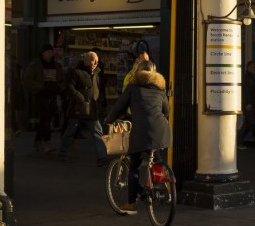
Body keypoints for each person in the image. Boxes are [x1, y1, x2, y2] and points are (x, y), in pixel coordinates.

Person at [106, 59, 172, 214]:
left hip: (141, 130)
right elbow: (166, 111)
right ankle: (163, 189)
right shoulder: (159, 88)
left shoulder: (133, 87)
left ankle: (131, 204)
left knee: (134, 165)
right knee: (157, 158)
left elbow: (119, 106)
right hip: (161, 129)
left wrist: (109, 119)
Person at [58, 51, 109, 166]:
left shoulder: (97, 73)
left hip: (92, 109)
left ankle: (102, 157)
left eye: (96, 60)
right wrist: (81, 99)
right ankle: (63, 152)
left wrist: (100, 102)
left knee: (97, 133)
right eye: (92, 60)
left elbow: (99, 90)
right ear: (86, 60)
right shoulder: (76, 72)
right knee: (71, 131)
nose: (95, 63)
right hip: (78, 108)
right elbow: (70, 87)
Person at [24, 43, 65, 153]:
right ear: (42, 53)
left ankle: (37, 141)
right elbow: (28, 80)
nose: (50, 54)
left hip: (52, 94)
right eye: (48, 52)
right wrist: (41, 86)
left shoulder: (56, 65)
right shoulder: (35, 65)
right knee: (45, 117)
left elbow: (62, 80)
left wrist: (59, 88)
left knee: (46, 119)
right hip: (40, 94)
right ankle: (47, 141)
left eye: (51, 52)